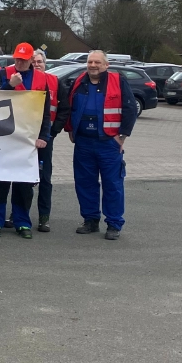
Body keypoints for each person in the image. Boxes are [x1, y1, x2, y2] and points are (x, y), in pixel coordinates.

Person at [0, 43, 54, 238]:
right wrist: (9, 86)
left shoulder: (41, 78)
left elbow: (45, 112)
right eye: (17, 58)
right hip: (3, 135)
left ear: (32, 59)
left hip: (28, 139)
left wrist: (43, 136)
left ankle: (22, 222)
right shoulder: (4, 74)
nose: (20, 62)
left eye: (24, 59)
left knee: (24, 183)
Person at [66, 50, 137, 240]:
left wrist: (122, 136)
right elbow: (70, 106)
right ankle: (90, 220)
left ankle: (114, 223)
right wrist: (71, 129)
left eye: (97, 62)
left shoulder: (117, 81)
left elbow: (130, 108)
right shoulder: (80, 81)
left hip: (108, 143)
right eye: (90, 62)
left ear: (106, 65)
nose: (93, 65)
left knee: (112, 184)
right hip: (83, 142)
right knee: (85, 183)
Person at [32, 49, 61, 231]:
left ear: (45, 63)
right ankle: (18, 214)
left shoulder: (55, 82)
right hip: (24, 138)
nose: (36, 65)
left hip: (45, 139)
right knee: (23, 180)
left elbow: (64, 108)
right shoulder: (25, 80)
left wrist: (52, 132)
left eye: (39, 62)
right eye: (33, 62)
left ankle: (44, 217)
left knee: (44, 179)